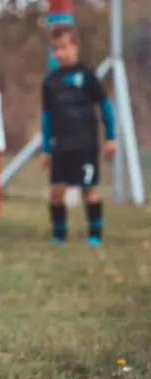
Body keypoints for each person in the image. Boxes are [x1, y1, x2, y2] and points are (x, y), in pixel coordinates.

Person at [41, 24, 115, 246]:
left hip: (85, 145)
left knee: (89, 190)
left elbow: (105, 107)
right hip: (60, 146)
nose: (60, 53)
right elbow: (46, 117)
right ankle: (59, 235)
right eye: (55, 49)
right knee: (56, 191)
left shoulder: (88, 75)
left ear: (75, 47)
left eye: (64, 47)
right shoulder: (50, 82)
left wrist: (111, 137)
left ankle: (94, 235)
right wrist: (46, 149)